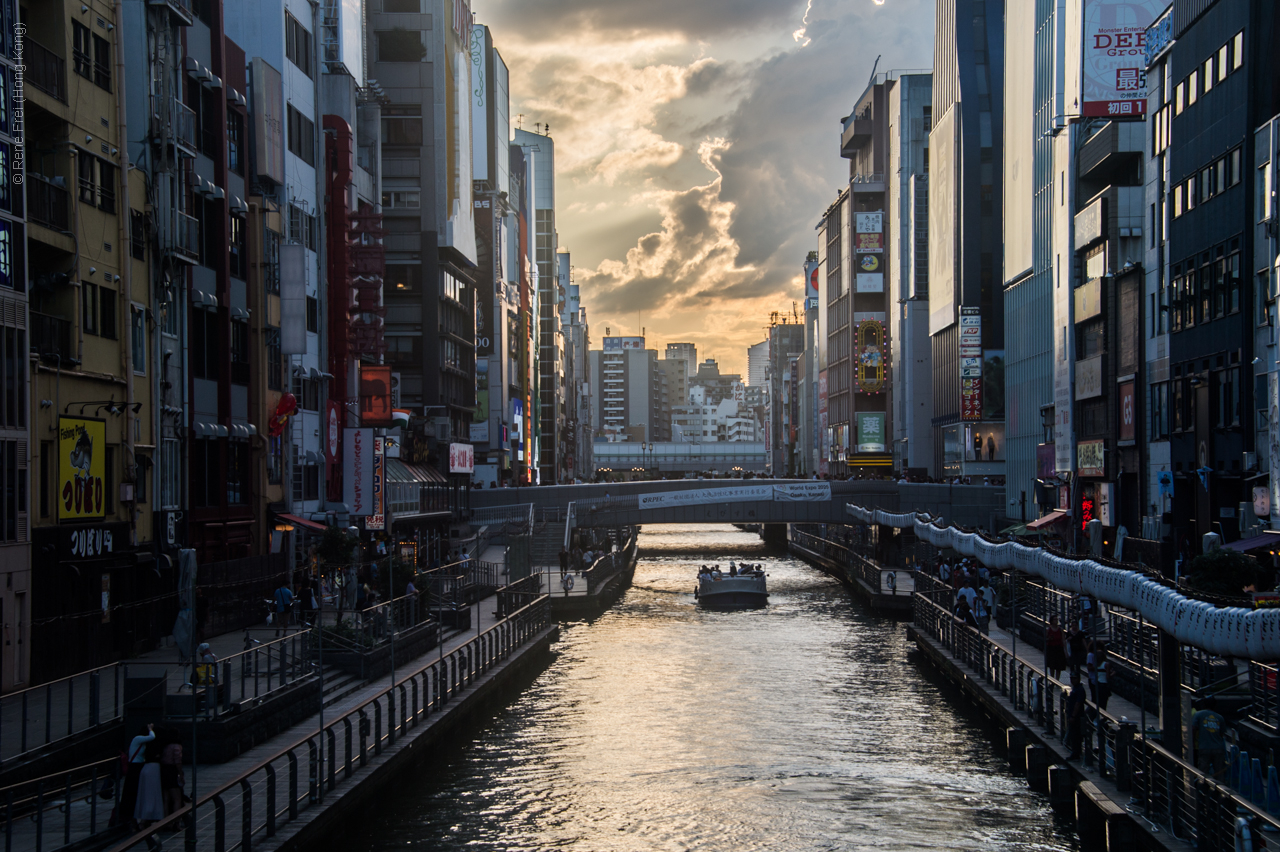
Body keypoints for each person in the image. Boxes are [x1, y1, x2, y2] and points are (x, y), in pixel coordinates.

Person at [117, 723, 155, 827]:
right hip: (134, 767)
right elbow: (152, 737)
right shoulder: (138, 739)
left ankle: (132, 819)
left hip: (138, 767)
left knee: (135, 792)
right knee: (132, 791)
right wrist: (150, 729)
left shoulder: (141, 742)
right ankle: (130, 818)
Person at [1191, 698, 1227, 778]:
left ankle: (1202, 789)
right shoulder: (1220, 717)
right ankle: (1220, 788)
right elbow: (1222, 734)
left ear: (1203, 705)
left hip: (1204, 747)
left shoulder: (1199, 715)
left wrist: (1193, 742)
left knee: (1203, 772)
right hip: (1218, 748)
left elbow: (1193, 729)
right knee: (1219, 772)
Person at [135, 736, 165, 828]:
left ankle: (143, 819)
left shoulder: (147, 748)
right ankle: (146, 818)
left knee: (145, 794)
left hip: (146, 768)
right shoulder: (158, 753)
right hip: (153, 769)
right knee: (152, 795)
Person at [1065, 671, 1087, 760]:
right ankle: (1075, 752)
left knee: (1076, 735)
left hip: (1077, 717)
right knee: (1073, 735)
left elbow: (1078, 703)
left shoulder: (1080, 690)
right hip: (1072, 715)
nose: (1072, 681)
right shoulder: (1075, 688)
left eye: (1074, 679)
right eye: (1071, 679)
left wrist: (1073, 716)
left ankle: (1076, 753)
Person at [1044, 615, 1068, 681]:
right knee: (1052, 665)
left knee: (1058, 665)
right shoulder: (1048, 629)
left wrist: (1066, 651)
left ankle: (1057, 679)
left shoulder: (1060, 630)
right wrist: (1049, 638)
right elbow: (1045, 639)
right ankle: (1052, 678)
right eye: (1055, 619)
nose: (1056, 621)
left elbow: (1063, 640)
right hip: (1051, 648)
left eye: (1057, 619)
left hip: (1059, 648)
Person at [1093, 642, 1112, 710]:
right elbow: (1107, 676)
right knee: (1104, 701)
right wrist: (1112, 674)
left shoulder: (1096, 665)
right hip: (1104, 684)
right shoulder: (1106, 664)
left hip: (1098, 683)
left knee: (1099, 700)